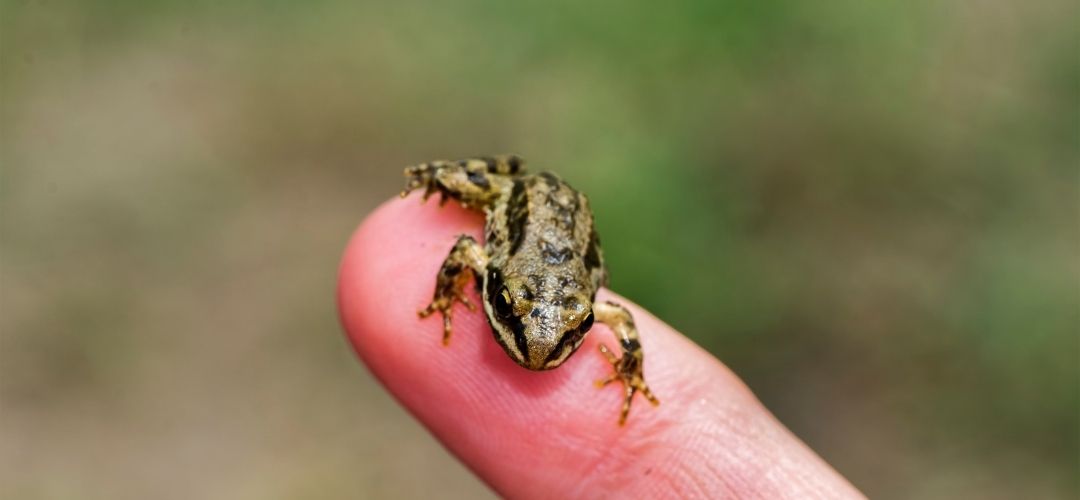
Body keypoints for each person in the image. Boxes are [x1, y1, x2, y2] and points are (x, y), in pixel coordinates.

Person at [338, 195, 864, 498]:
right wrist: (446, 294)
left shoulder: (593, 310)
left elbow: (621, 319)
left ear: (583, 316)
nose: (539, 353)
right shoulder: (491, 263)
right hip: (527, 212)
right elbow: (464, 247)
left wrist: (632, 369)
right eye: (516, 319)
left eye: (575, 330)